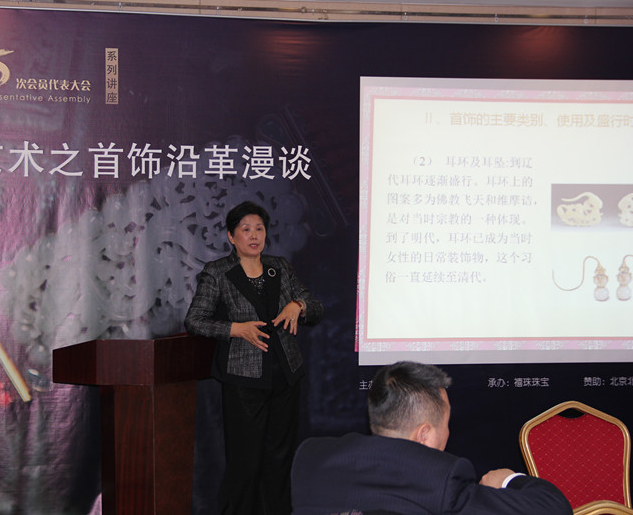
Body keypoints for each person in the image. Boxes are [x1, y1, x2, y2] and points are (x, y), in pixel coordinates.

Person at [185, 200, 323, 515]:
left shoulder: (280, 267)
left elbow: (315, 307)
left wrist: (298, 306)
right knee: (244, 461)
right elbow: (195, 321)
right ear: (231, 237)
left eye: (259, 229)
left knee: (279, 458)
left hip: (285, 376)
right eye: (246, 229)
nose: (254, 235)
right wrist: (235, 329)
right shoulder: (218, 272)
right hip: (243, 382)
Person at [290, 361, 572, 515]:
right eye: (446, 423)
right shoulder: (440, 480)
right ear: (424, 434)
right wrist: (509, 480)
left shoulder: (311, 459)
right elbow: (555, 509)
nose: (448, 433)